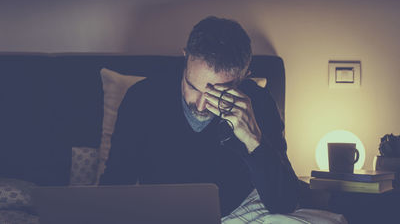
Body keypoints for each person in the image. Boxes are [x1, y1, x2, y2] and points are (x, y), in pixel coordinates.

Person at [100, 16, 300, 218]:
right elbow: (116, 182)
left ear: (243, 77)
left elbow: (284, 203)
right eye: (193, 87)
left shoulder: (259, 102)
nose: (201, 105)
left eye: (218, 95)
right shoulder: (142, 98)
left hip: (234, 215)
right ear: (186, 57)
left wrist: (253, 141)